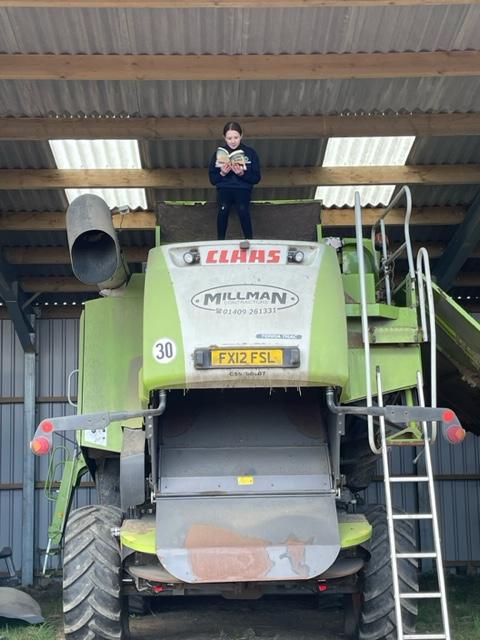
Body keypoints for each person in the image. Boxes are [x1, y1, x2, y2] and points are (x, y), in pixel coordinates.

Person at [208, 121, 261, 240]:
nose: (233, 141)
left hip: (243, 188)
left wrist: (242, 174)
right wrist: (222, 173)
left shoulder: (250, 153)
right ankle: (220, 241)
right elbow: (213, 180)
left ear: (241, 136)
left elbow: (256, 178)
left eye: (236, 137)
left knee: (242, 209)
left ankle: (249, 240)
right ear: (224, 138)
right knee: (223, 209)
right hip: (224, 188)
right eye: (229, 138)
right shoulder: (219, 153)